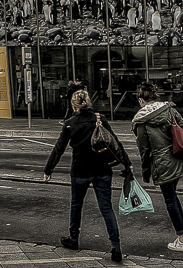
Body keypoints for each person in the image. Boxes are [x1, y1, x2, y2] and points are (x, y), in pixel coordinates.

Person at [43, 90, 126, 262]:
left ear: (73, 105)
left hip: (80, 171)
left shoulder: (70, 123)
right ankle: (115, 246)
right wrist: (127, 163)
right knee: (106, 208)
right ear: (88, 102)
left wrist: (48, 170)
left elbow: (59, 148)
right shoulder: (100, 119)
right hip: (102, 170)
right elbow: (115, 142)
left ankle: (73, 239)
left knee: (76, 205)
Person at [132, 81, 183, 253]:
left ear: (141, 100)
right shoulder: (169, 109)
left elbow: (144, 150)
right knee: (173, 196)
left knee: (169, 200)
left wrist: (146, 173)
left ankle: (182, 239)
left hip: (162, 164)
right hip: (178, 159)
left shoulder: (141, 120)